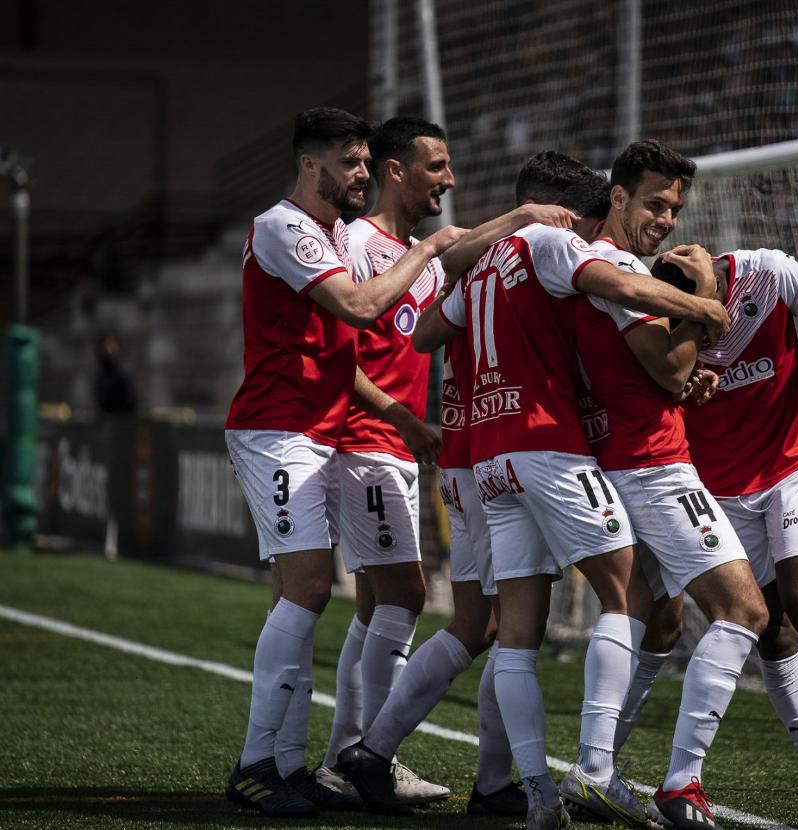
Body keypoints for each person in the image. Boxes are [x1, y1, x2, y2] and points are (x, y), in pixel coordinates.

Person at [385, 155, 729, 830]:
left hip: (487, 457)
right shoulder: (551, 242)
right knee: (627, 592)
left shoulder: (485, 262)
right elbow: (618, 287)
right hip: (546, 442)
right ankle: (596, 771)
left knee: (513, 635)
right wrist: (703, 303)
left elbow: (424, 332)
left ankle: (537, 791)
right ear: (571, 210)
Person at [222, 106, 464, 818]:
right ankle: (260, 762)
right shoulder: (284, 226)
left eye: (365, 162)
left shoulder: (328, 232)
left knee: (309, 592)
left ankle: (293, 764)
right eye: (350, 162)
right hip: (277, 428)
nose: (361, 173)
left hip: (319, 430)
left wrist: (394, 414)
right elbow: (360, 308)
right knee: (307, 588)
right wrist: (429, 250)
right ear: (310, 163)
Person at [334, 151, 585, 818]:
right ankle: (525, 776)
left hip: (465, 455)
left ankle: (382, 753)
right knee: (508, 625)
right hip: (507, 452)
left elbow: (428, 337)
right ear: (556, 210)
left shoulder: (481, 266)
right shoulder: (542, 260)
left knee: (480, 622)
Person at [629, 248, 798, 830]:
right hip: (722, 493)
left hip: (789, 470)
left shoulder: (769, 272)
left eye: (686, 313)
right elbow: (661, 389)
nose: (679, 326)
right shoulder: (663, 329)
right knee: (772, 634)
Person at [563, 141, 768, 830]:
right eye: (655, 203)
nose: (666, 219)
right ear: (616, 196)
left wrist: (683, 375)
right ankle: (680, 785)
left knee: (662, 617)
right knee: (745, 611)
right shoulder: (619, 267)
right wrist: (705, 296)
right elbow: (669, 369)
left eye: (675, 208)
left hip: (621, 455)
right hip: (651, 467)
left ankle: (596, 770)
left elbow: (662, 373)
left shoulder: (598, 267)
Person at [311, 115, 461, 809]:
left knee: (376, 604)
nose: (449, 180)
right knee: (405, 594)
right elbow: (340, 361)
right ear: (395, 171)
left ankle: (348, 755)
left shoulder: (415, 257)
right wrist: (401, 417)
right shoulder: (359, 243)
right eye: (435, 166)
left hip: (393, 447)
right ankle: (373, 755)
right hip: (364, 443)